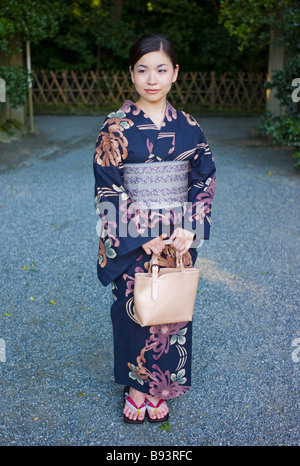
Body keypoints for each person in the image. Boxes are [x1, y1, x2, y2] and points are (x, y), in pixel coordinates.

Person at [93, 33, 216, 424]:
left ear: (175, 73)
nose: (152, 78)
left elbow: (204, 177)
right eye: (142, 69)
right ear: (131, 74)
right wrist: (143, 234)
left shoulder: (190, 127)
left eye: (161, 69)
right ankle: (135, 385)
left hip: (177, 234)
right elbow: (107, 185)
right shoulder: (115, 127)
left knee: (171, 309)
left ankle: (160, 387)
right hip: (136, 236)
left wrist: (191, 227)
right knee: (132, 307)